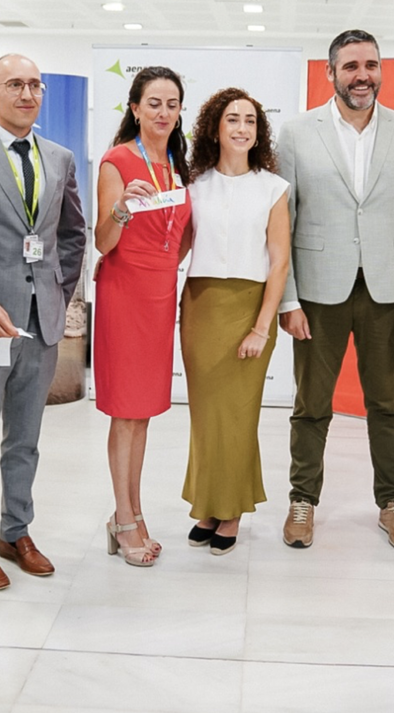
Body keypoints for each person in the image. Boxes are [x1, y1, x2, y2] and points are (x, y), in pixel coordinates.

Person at [277, 29, 394, 551]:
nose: (362, 75)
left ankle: (392, 502)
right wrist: (288, 299)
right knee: (311, 404)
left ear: (381, 70)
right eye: (350, 66)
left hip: (387, 292)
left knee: (387, 404)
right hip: (317, 291)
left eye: (370, 65)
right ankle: (302, 500)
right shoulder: (296, 133)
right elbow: (283, 222)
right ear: (330, 73)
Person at [0, 54, 86, 590]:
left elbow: (72, 235)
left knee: (25, 439)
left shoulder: (60, 158)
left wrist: (55, 294)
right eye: (14, 85)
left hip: (41, 323)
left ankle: (16, 532)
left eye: (35, 85)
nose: (27, 94)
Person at [180, 88, 290, 555]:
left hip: (249, 308)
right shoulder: (193, 186)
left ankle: (232, 512)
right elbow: (176, 248)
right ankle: (209, 505)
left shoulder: (273, 188)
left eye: (250, 120)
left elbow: (280, 262)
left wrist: (262, 327)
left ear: (258, 132)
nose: (242, 128)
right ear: (214, 128)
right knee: (206, 418)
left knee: (239, 417)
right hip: (200, 307)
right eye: (232, 119)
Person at [93, 66, 192, 567]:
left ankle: (131, 512)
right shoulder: (118, 161)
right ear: (135, 109)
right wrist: (122, 211)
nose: (163, 112)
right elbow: (103, 241)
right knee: (125, 411)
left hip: (159, 295)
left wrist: (166, 264)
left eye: (172, 104)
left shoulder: (178, 164)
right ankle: (124, 517)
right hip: (124, 293)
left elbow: (183, 233)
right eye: (154, 103)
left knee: (144, 412)